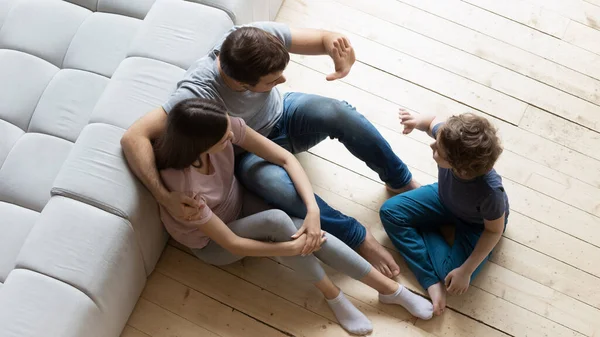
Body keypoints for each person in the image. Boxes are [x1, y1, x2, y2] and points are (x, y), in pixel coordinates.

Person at [121, 22, 419, 278]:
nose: (282, 80)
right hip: (248, 150)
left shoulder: (248, 39)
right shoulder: (196, 93)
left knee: (339, 112)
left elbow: (322, 38)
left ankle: (402, 182)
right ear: (240, 83)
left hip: (285, 114)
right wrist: (164, 196)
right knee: (273, 185)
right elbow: (133, 137)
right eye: (272, 80)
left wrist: (337, 51)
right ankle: (358, 238)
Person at [154, 99, 434, 335]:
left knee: (303, 228)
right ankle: (333, 294)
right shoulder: (185, 190)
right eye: (224, 138)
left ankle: (389, 291)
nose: (232, 136)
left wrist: (313, 212)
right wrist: (287, 248)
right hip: (214, 243)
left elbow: (285, 159)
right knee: (280, 224)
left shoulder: (224, 126)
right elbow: (231, 244)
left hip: (238, 204)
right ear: (200, 145)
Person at [379, 109, 509, 316]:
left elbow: (494, 231)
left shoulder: (491, 193)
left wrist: (465, 271)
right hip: (444, 199)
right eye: (437, 141)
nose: (432, 145)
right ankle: (429, 279)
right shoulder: (451, 141)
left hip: (476, 225)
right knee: (390, 212)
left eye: (438, 150)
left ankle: (428, 228)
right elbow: (431, 121)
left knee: (450, 276)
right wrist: (416, 121)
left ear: (461, 169)